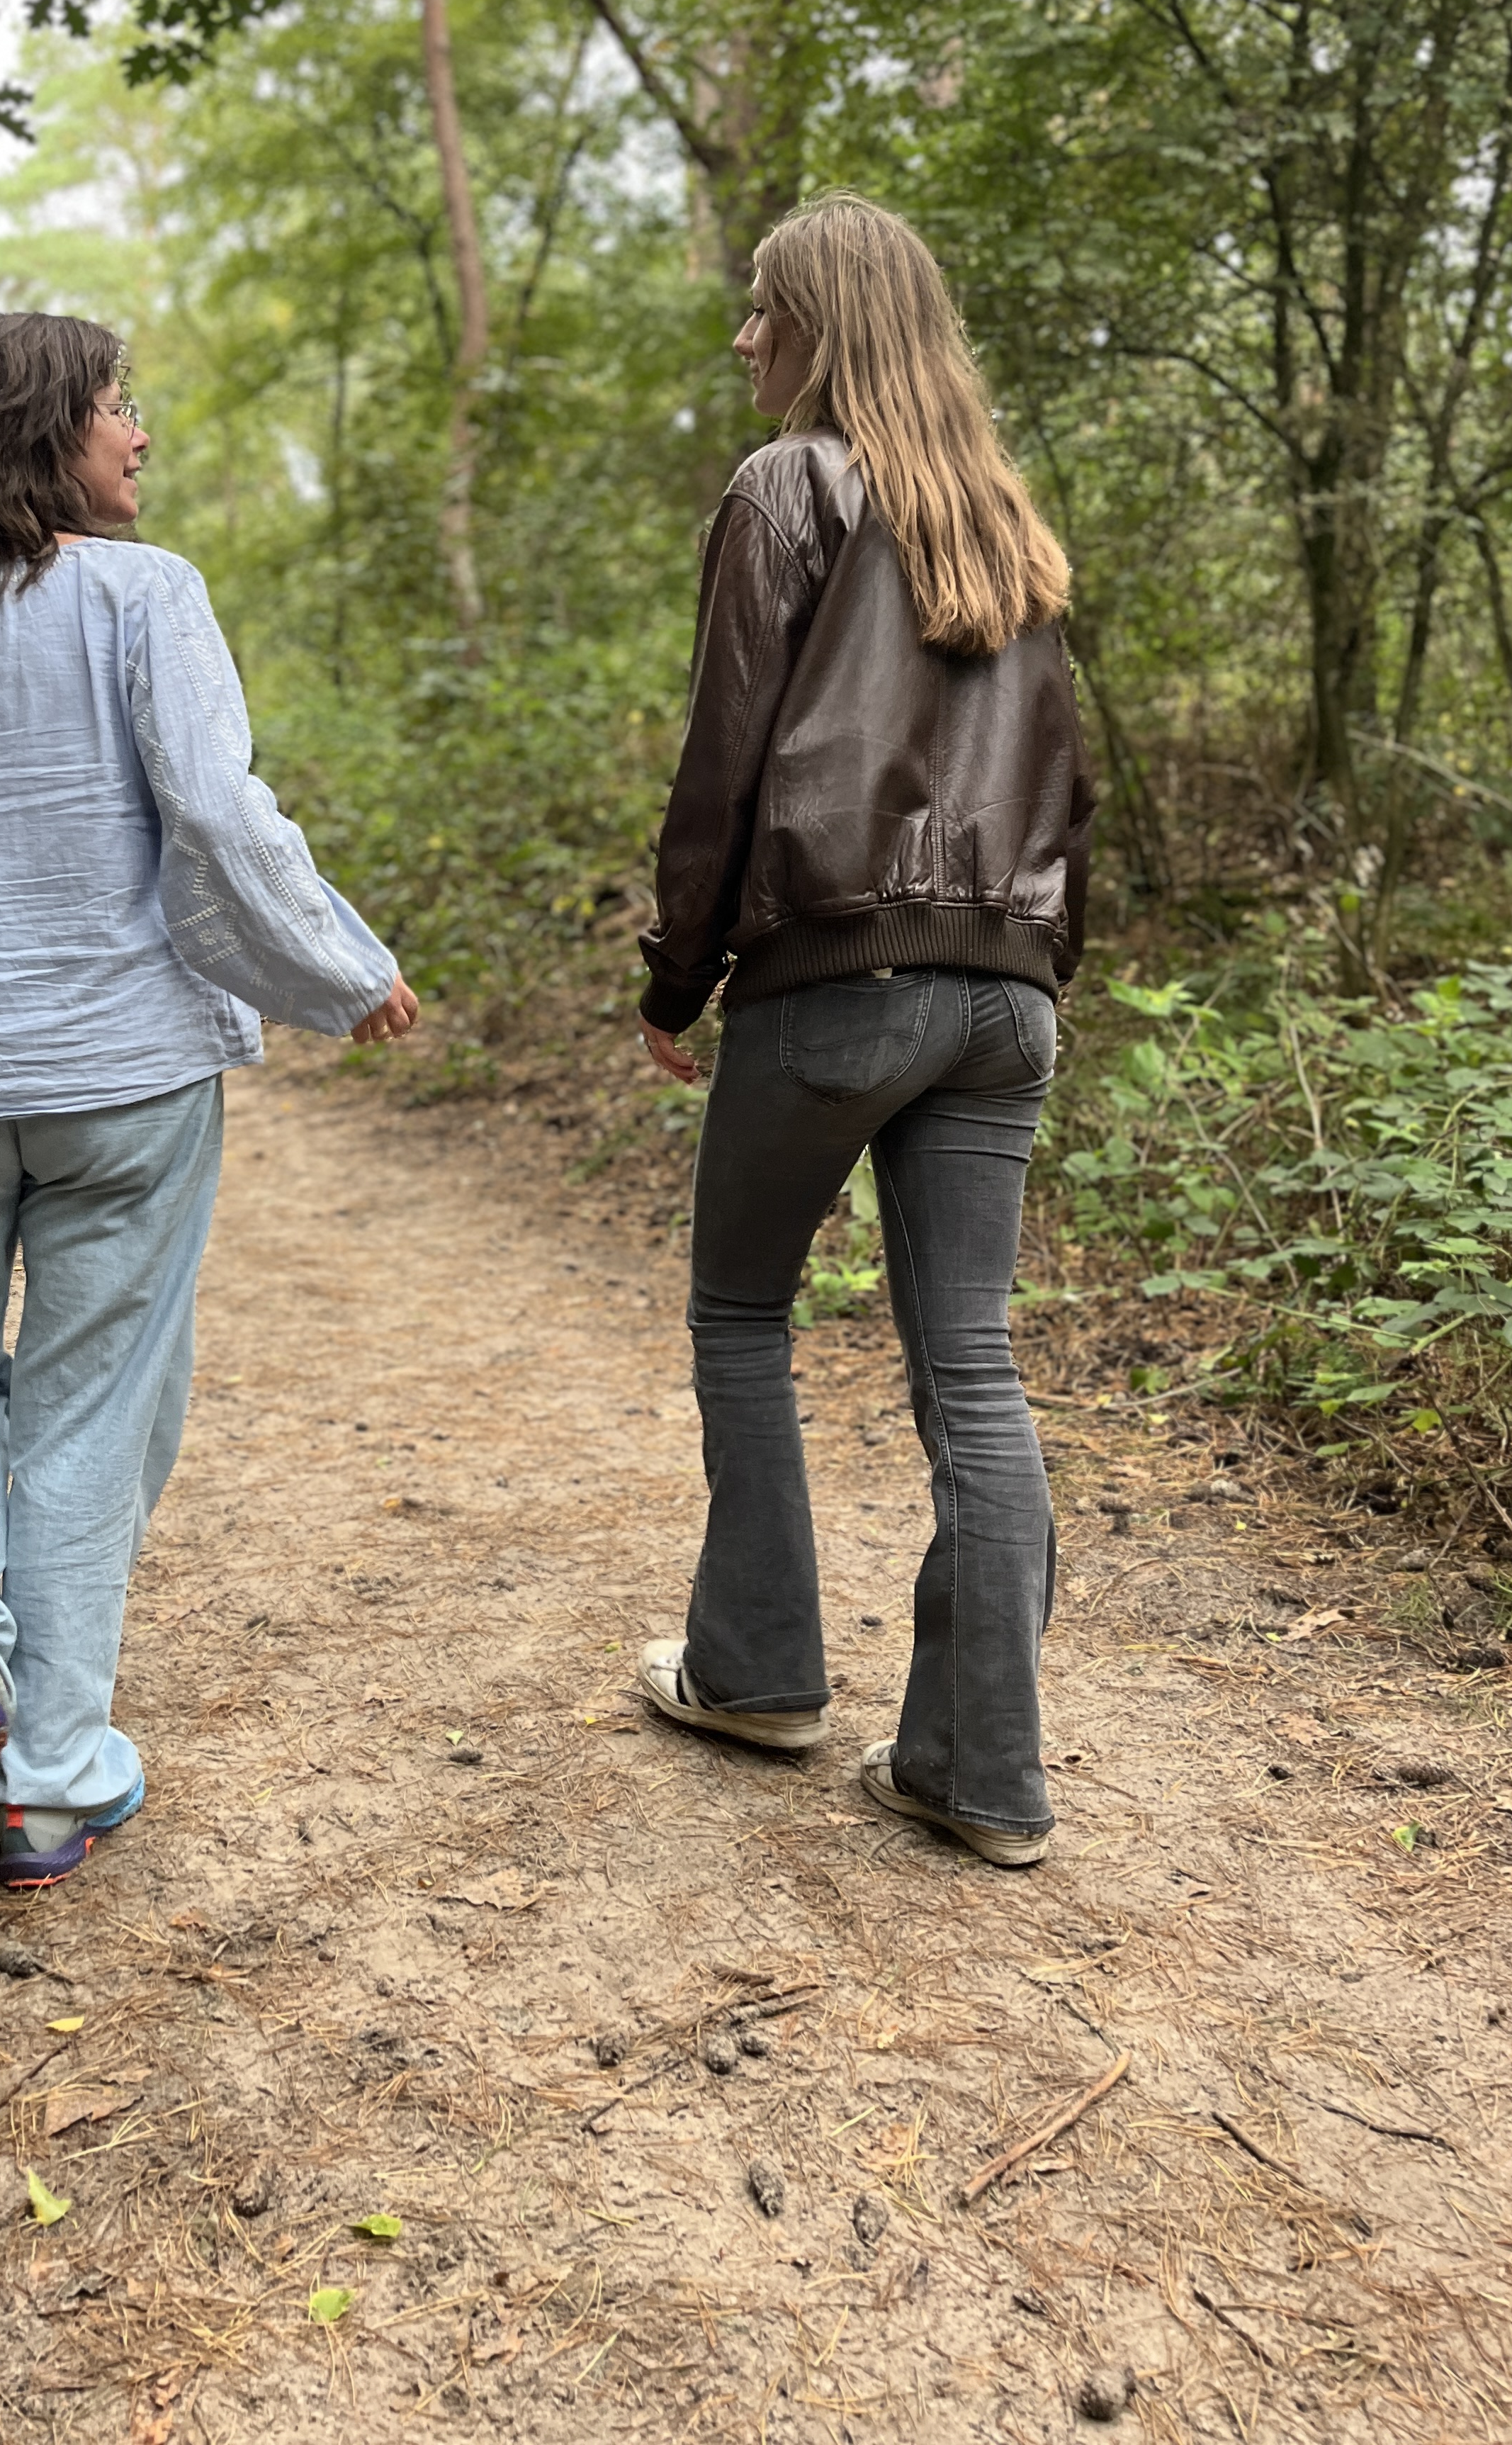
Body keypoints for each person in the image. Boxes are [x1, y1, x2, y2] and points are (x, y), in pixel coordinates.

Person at [0, 311, 417, 1889]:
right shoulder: (146, 596)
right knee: (93, 1402)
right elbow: (215, 810)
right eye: (114, 405)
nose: (139, 433)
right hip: (123, 1076)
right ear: (38, 431)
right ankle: (53, 1784)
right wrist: (337, 967)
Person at [633, 192, 1095, 1868]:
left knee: (738, 1313)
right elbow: (1067, 780)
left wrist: (677, 974)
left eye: (766, 308)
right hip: (1008, 993)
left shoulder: (788, 486)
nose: (744, 336)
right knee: (971, 1361)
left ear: (826, 325)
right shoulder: (1004, 518)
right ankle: (981, 1773)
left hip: (839, 974)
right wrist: (1034, 968)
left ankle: (757, 1676)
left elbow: (727, 760)